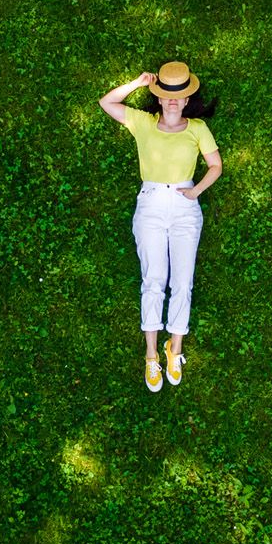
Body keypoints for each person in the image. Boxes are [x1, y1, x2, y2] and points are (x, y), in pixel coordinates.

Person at [98, 61, 223, 392]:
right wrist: (137, 83)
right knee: (154, 280)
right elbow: (107, 103)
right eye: (166, 94)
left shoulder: (197, 128)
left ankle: (174, 348)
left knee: (183, 282)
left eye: (178, 96)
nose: (172, 101)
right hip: (151, 203)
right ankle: (151, 354)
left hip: (184, 206)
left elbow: (215, 165)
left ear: (186, 101)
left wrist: (195, 191)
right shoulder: (143, 122)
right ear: (158, 98)